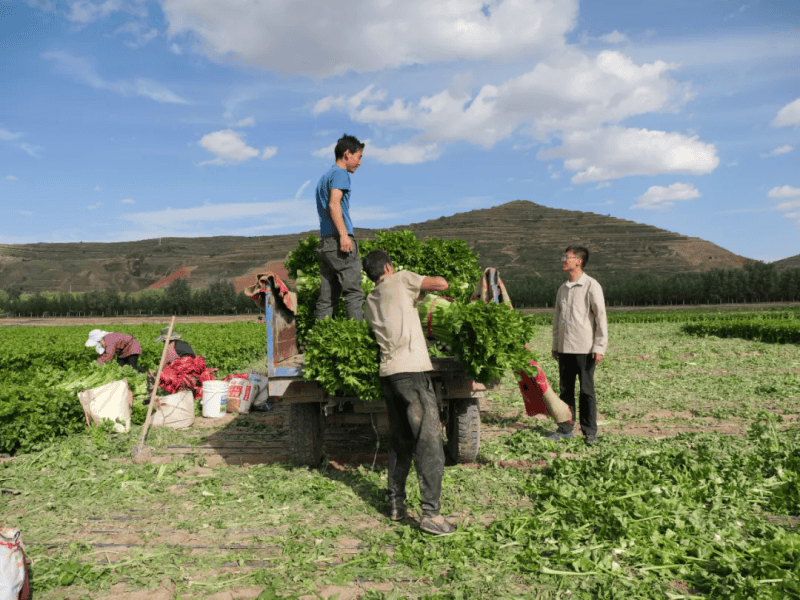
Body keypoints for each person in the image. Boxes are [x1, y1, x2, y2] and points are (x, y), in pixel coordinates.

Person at [362, 249, 457, 536]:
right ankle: (431, 514)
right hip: (412, 373)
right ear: (389, 267)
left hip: (389, 375)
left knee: (400, 441)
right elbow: (441, 284)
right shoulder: (401, 279)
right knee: (429, 443)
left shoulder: (370, 300)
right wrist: (420, 285)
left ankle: (396, 505)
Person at [549, 246, 608, 445]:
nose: (563, 260)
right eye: (564, 256)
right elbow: (557, 320)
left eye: (567, 257)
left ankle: (590, 432)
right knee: (565, 391)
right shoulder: (562, 289)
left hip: (585, 349)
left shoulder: (591, 285)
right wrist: (556, 345)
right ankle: (565, 428)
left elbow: (601, 318)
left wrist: (599, 347)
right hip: (565, 349)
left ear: (579, 261)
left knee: (586, 391)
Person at [315, 134, 365, 322]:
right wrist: (344, 236)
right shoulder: (340, 174)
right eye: (358, 157)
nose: (359, 163)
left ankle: (321, 341)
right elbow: (334, 204)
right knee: (353, 294)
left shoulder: (325, 177)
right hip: (338, 242)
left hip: (326, 243)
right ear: (347, 154)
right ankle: (356, 341)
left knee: (326, 299)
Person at [146, 328, 197, 400]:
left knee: (151, 374)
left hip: (180, 377)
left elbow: (164, 366)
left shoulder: (170, 348)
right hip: (193, 375)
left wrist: (158, 374)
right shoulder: (185, 344)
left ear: (165, 340)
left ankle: (152, 398)